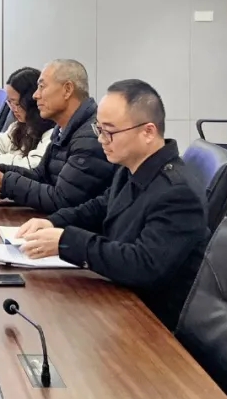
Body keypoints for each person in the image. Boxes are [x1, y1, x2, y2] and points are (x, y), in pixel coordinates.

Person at [17, 79, 208, 330]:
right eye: (99, 129)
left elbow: (143, 264)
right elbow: (101, 207)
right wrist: (52, 222)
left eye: (110, 132)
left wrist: (67, 241)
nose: (101, 140)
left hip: (152, 324)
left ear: (148, 132)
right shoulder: (131, 167)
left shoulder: (178, 194)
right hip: (120, 296)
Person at [0, 59, 114, 212]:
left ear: (67, 90)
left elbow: (62, 200)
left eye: (41, 87)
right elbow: (41, 175)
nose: (35, 95)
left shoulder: (89, 138)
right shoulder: (62, 129)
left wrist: (4, 183)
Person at [0, 67, 56, 169]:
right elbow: (0, 142)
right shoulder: (20, 125)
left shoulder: (51, 133)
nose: (13, 109)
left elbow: (32, 165)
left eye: (17, 104)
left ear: (32, 102)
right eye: (10, 102)